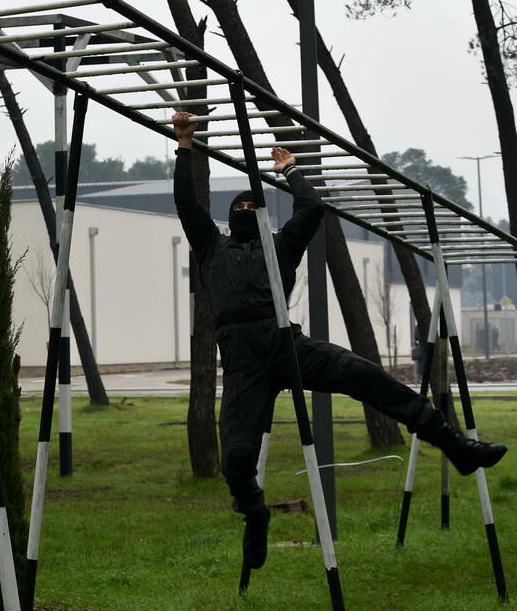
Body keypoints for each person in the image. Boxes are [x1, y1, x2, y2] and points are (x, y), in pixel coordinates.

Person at [171, 111, 507, 571]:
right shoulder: (212, 247)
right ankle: (255, 512)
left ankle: (455, 446)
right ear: (229, 220)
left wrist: (290, 171)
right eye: (239, 210)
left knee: (368, 377)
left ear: (264, 217)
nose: (246, 213)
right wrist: (184, 146)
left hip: (284, 344)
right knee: (237, 458)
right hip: (243, 362)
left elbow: (312, 210)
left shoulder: (280, 245)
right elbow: (187, 204)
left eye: (253, 208)